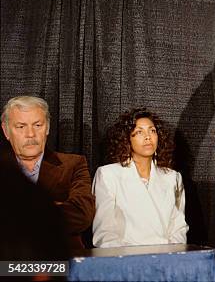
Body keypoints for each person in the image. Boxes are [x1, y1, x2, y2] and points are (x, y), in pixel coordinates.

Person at [1, 95, 95, 249]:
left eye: (37, 125)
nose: (30, 134)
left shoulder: (73, 164)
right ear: (6, 131)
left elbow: (81, 214)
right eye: (21, 126)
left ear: (48, 127)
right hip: (7, 264)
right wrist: (52, 208)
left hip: (59, 263)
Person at [92, 108, 188, 247]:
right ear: (127, 139)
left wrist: (170, 255)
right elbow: (105, 233)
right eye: (139, 132)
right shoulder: (108, 175)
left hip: (167, 260)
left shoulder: (173, 178)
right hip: (126, 261)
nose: (147, 136)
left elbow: (179, 227)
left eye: (152, 131)